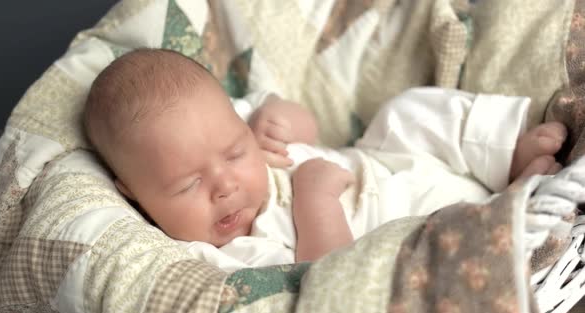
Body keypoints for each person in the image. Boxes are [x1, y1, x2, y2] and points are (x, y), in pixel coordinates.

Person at [84, 48, 567, 271]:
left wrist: (282, 120)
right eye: (188, 185)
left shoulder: (240, 122)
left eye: (234, 152)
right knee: (448, 242)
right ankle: (512, 206)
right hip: (409, 226)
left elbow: (306, 128)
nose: (225, 184)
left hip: (384, 164)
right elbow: (327, 275)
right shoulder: (223, 256)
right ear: (131, 190)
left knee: (404, 111)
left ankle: (507, 153)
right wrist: (314, 201)